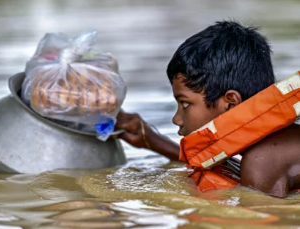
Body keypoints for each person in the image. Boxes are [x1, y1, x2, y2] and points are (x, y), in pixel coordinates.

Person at [114, 21, 300, 198]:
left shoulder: (261, 162)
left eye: (185, 104)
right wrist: (152, 141)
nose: (177, 119)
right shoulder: (274, 147)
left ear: (230, 104)